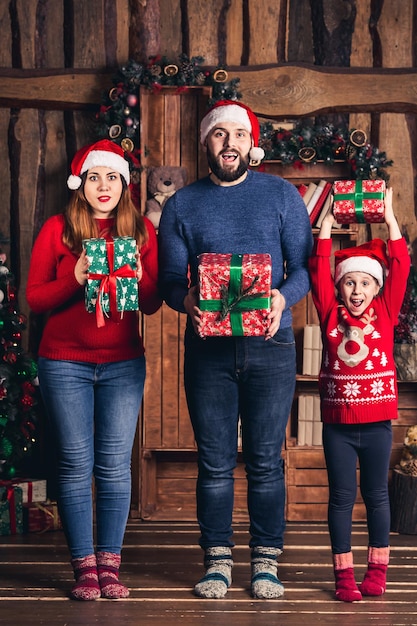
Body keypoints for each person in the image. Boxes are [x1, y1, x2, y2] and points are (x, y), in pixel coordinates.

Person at [158, 100, 313, 599]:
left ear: (252, 143)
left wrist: (279, 296)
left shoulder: (282, 195)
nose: (230, 143)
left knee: (267, 459)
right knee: (215, 461)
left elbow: (304, 270)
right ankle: (218, 561)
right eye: (219, 135)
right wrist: (189, 302)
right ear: (206, 143)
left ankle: (266, 562)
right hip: (209, 353)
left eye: (239, 135)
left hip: (271, 346)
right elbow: (167, 283)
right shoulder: (183, 205)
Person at [26, 139, 162, 601]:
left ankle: (110, 565)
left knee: (114, 466)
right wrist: (77, 276)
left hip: (123, 365)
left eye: (112, 178)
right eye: (94, 178)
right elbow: (35, 298)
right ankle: (83, 566)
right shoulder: (58, 230)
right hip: (65, 362)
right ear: (80, 185)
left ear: (124, 184)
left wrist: (137, 271)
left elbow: (152, 302)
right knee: (75, 463)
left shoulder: (141, 230)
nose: (103, 186)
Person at [308, 187, 410, 602]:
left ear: (376, 287)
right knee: (341, 499)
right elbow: (317, 270)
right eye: (349, 282)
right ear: (340, 286)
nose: (356, 290)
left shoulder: (385, 312)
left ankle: (377, 572)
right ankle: (344, 576)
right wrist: (328, 225)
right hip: (338, 427)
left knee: (376, 495)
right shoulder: (330, 312)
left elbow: (400, 266)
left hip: (377, 424)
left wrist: (389, 218)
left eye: (365, 283)